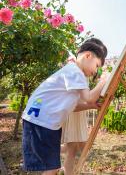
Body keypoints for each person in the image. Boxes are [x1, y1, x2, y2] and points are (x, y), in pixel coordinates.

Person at [21, 41, 108, 175]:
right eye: (97, 66)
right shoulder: (75, 71)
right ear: (88, 56)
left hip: (44, 122)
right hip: (41, 121)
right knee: (52, 167)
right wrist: (103, 81)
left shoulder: (74, 72)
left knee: (52, 166)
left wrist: (90, 106)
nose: (96, 71)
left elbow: (73, 107)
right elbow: (89, 96)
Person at [61, 38, 108, 175]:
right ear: (89, 53)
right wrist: (101, 83)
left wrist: (92, 104)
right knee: (73, 149)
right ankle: (71, 171)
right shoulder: (75, 67)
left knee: (74, 149)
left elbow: (84, 96)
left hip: (78, 111)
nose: (97, 68)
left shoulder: (83, 68)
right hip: (73, 112)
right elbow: (81, 99)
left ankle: (72, 170)